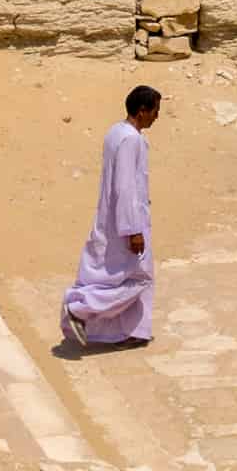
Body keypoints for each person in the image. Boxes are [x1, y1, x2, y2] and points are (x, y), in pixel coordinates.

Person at [60, 85, 161, 347]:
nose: (157, 117)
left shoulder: (116, 132)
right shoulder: (130, 139)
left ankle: (130, 332)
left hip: (114, 217)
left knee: (117, 275)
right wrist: (133, 230)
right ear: (142, 111)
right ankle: (79, 310)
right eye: (155, 111)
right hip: (127, 222)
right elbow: (125, 187)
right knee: (137, 278)